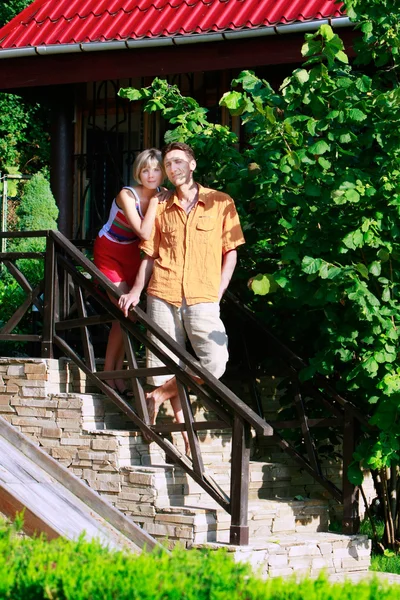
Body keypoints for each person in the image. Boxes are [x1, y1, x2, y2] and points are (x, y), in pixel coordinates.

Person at [118, 142, 245, 454]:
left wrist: (220, 289)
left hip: (203, 295)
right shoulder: (160, 204)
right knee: (161, 366)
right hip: (163, 292)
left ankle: (157, 397)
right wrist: (135, 290)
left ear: (193, 164)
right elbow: (148, 254)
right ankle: (180, 435)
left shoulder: (221, 202)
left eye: (178, 162)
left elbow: (231, 253)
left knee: (216, 362)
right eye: (168, 164)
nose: (173, 169)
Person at [93, 148, 164, 396]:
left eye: (156, 169)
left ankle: (113, 373)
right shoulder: (127, 194)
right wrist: (155, 201)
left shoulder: (165, 197)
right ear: (138, 172)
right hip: (110, 253)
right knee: (125, 311)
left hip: (134, 255)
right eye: (146, 170)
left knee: (126, 315)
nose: (151, 175)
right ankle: (113, 374)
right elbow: (144, 233)